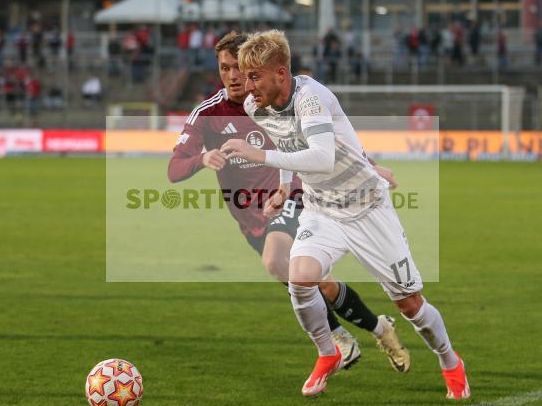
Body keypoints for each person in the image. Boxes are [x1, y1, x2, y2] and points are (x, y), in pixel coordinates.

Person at [221, 30, 469, 399]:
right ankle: (329, 351)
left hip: (367, 207)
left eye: (254, 76)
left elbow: (321, 157)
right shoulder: (256, 106)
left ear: (281, 73)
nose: (246, 83)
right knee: (300, 277)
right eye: (243, 74)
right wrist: (286, 185)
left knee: (410, 304)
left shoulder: (311, 98)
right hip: (322, 209)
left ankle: (450, 361)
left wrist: (261, 157)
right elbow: (286, 140)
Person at [168, 31, 410, 374]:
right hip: (250, 217)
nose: (234, 77)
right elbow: (174, 170)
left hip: (294, 197)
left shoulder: (276, 101)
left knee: (277, 261)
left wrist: (368, 166)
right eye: (225, 68)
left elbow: (330, 142)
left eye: (241, 69)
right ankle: (378, 329)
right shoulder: (208, 114)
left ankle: (338, 340)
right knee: (317, 283)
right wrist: (202, 158)